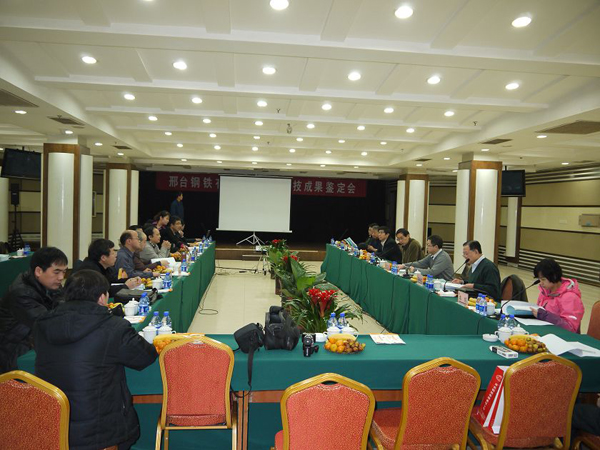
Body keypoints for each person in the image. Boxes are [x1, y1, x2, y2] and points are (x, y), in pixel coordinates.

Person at [34, 270, 157, 450]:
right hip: (100, 432)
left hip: (51, 427)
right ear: (102, 298)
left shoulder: (41, 324)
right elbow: (145, 357)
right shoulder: (114, 326)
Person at [0, 247, 68, 373]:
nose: (61, 277)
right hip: (13, 354)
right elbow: (48, 324)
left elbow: (63, 305)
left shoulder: (50, 285)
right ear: (38, 271)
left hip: (31, 342)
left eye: (64, 272)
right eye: (56, 272)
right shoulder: (21, 293)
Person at [530, 258, 584, 333]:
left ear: (554, 276)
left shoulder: (570, 297)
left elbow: (570, 328)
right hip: (546, 330)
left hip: (562, 336)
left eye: (543, 279)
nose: (541, 283)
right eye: (539, 279)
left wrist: (545, 316)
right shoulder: (545, 291)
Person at [73, 238, 142, 297]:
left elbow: (113, 279)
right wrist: (126, 286)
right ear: (103, 257)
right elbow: (103, 291)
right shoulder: (90, 271)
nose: (116, 255)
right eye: (113, 253)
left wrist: (131, 280)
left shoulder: (105, 266)